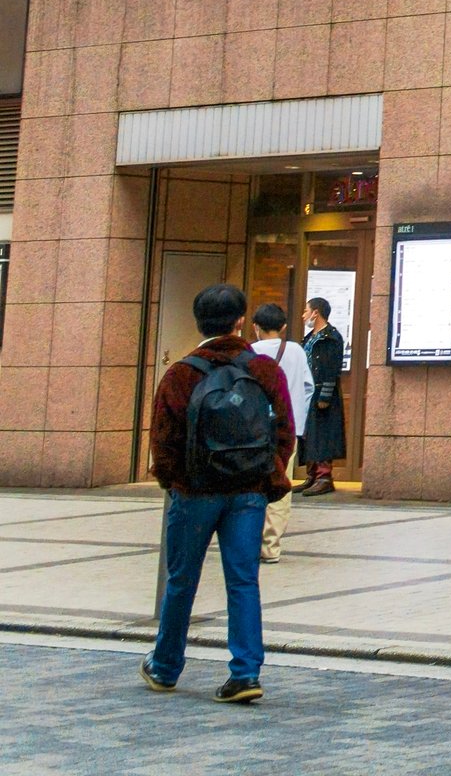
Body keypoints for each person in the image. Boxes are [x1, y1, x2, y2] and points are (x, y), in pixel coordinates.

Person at [141, 283, 295, 704]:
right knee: (243, 580)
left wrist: (175, 482)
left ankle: (165, 667)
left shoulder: (181, 373)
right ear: (241, 321)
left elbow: (164, 440)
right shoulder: (264, 370)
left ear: (198, 322)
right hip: (248, 492)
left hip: (195, 492)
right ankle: (245, 674)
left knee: (181, 580)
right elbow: (284, 432)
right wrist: (266, 474)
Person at [248, 303, 312, 565]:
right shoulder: (296, 351)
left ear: (255, 327)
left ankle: (248, 542)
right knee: (281, 484)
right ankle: (271, 545)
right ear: (284, 327)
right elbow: (309, 387)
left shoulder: (250, 352)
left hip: (254, 429)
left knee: (252, 483)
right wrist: (300, 420)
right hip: (288, 429)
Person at [297, 297, 346, 496]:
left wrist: (325, 396)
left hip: (322, 393)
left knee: (323, 434)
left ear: (316, 312)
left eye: (306, 310)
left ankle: (324, 477)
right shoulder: (309, 338)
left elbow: (332, 369)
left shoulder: (331, 337)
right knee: (309, 433)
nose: (303, 315)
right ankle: (312, 474)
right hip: (308, 392)